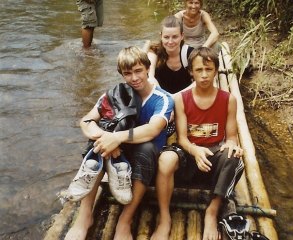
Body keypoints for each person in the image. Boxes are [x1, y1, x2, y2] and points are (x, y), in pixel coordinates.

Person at [64, 46, 174, 240]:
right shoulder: (115, 94)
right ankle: (84, 216)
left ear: (148, 68)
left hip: (146, 160)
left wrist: (115, 138)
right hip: (116, 155)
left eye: (139, 71)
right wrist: (104, 137)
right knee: (96, 143)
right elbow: (86, 121)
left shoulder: (162, 98)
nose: (134, 78)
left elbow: (152, 129)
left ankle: (124, 221)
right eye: (128, 73)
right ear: (121, 74)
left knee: (146, 148)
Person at [151, 47, 245, 240]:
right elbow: (183, 139)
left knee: (234, 157)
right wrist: (195, 150)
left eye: (208, 69)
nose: (204, 75)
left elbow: (231, 137)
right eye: (199, 70)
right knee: (166, 159)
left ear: (216, 71)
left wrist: (232, 145)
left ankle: (212, 211)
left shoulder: (229, 100)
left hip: (213, 155)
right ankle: (164, 218)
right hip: (188, 152)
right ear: (191, 73)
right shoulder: (180, 99)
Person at [148, 15, 194, 95]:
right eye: (166, 37)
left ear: (182, 36)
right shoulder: (154, 51)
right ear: (161, 36)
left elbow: (198, 81)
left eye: (175, 37)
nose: (170, 42)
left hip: (185, 97)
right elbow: (150, 76)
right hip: (162, 98)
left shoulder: (190, 53)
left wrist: (175, 97)